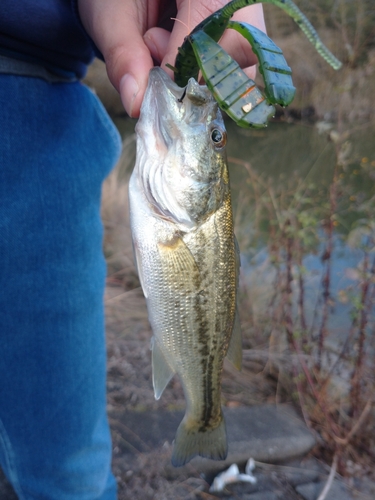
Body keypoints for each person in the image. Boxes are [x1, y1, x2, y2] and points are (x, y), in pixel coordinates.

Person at [0, 1, 265, 498]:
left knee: (69, 468)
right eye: (213, 134)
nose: (206, 129)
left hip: (36, 115)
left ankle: (203, 415)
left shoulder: (183, 209)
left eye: (213, 137)